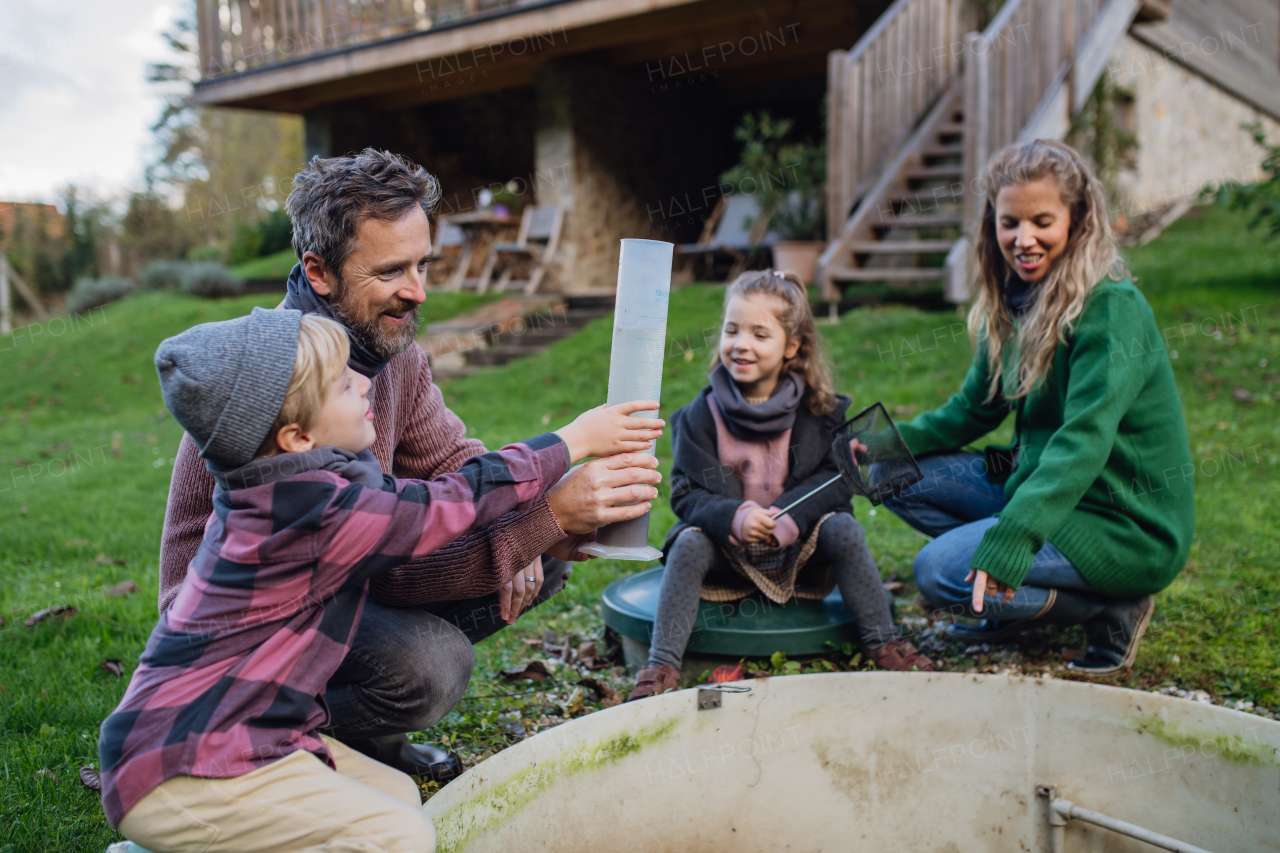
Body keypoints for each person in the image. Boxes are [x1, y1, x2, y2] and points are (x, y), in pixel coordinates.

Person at [156, 149, 662, 779]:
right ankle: (276, 740)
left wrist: (545, 524)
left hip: (343, 574)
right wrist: (548, 512)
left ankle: (361, 734)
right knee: (431, 665)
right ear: (319, 271)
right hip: (249, 631)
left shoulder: (387, 344)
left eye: (424, 264)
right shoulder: (287, 389)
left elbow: (450, 458)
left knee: (538, 565)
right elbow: (392, 563)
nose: (418, 292)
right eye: (392, 270)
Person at [100, 308, 663, 852]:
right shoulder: (313, 509)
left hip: (249, 736)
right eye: (343, 384)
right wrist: (571, 442)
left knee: (398, 797)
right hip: (182, 765)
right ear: (297, 437)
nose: (363, 382)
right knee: (399, 838)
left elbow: (421, 525)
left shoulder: (297, 484)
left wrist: (543, 533)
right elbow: (452, 500)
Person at [884, 140, 1195, 675]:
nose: (1023, 239)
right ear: (993, 223)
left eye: (1042, 221)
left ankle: (1111, 608)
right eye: (1010, 222)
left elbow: (1084, 440)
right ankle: (1007, 600)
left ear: (1077, 220)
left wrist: (1013, 538)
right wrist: (884, 444)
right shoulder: (1015, 296)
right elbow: (973, 409)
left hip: (1120, 520)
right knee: (892, 473)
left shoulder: (1110, 307)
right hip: (1046, 490)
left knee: (937, 573)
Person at [628, 271, 933, 701]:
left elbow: (834, 482)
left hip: (799, 544)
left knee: (844, 529)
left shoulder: (821, 412)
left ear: (792, 346)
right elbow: (685, 493)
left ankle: (884, 642)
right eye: (732, 330)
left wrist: (787, 517)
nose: (741, 343)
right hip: (726, 547)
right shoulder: (699, 416)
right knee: (688, 545)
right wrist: (736, 516)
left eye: (759, 333)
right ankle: (661, 665)